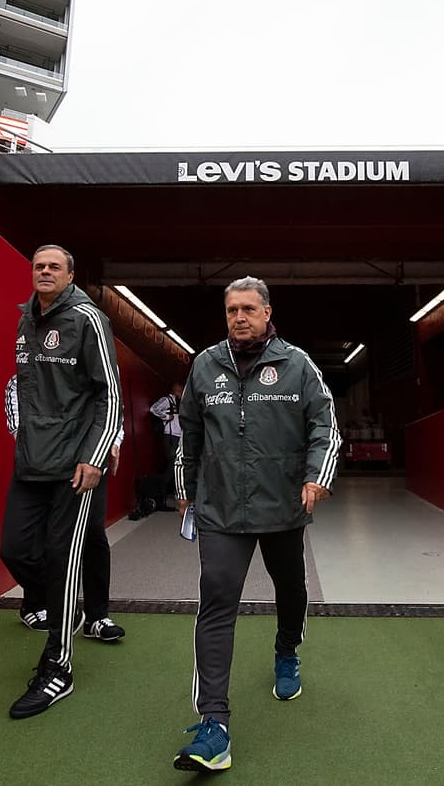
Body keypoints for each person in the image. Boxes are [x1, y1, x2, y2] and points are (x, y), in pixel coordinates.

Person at [170, 276, 341, 772]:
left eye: (248, 309)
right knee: (216, 602)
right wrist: (185, 491)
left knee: (290, 588)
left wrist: (317, 477)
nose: (239, 318)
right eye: (231, 310)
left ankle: (286, 651)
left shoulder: (297, 364)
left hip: (282, 505)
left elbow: (325, 426)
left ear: (268, 312)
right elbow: (189, 436)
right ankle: (214, 725)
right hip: (221, 508)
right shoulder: (205, 365)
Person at [0, 244, 123, 720]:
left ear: (70, 275)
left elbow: (108, 394)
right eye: (38, 266)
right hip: (31, 462)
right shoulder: (25, 320)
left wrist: (94, 457)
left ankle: (58, 667)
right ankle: (60, 604)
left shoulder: (87, 318)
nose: (45, 272)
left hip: (73, 465)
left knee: (62, 559)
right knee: (14, 549)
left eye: (54, 266)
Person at [5, 376, 127, 643]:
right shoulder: (30, 363)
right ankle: (38, 603)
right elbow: (16, 396)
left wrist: (113, 442)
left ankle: (97, 617)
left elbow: (111, 404)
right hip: (42, 461)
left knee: (92, 534)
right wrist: (34, 444)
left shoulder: (94, 356)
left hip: (90, 459)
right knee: (37, 539)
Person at [149, 382, 184, 505]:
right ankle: (163, 489)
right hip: (169, 436)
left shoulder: (180, 403)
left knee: (176, 463)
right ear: (176, 390)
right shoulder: (166, 400)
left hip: (178, 436)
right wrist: (165, 416)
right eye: (180, 390)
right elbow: (153, 409)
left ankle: (170, 490)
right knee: (173, 462)